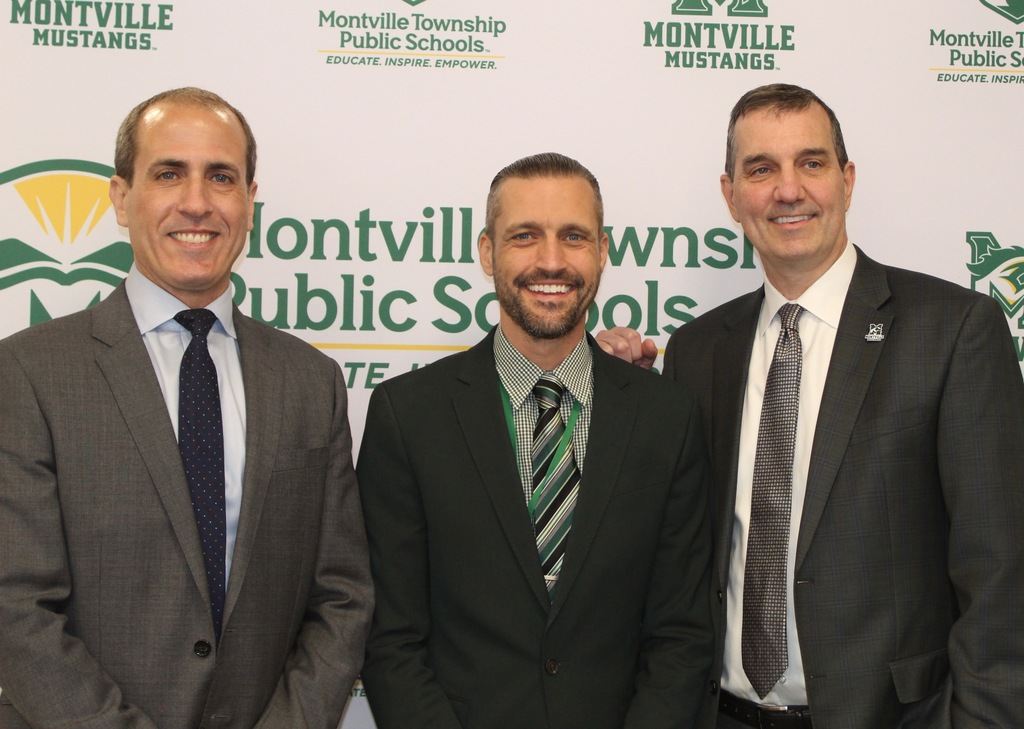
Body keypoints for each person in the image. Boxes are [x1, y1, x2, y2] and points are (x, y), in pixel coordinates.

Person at [598, 83, 1024, 729]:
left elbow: (1000, 570)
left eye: (812, 163)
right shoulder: (699, 349)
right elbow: (669, 549)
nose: (788, 189)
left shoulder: (953, 329)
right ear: (731, 194)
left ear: (847, 180)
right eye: (761, 169)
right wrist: (620, 401)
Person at [0, 88, 373, 729]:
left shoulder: (311, 381)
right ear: (121, 198)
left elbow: (342, 596)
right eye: (169, 173)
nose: (196, 202)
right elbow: (16, 605)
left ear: (249, 201)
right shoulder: (28, 372)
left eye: (220, 177)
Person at [357, 152, 713, 729]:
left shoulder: (667, 417)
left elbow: (682, 634)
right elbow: (390, 637)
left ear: (602, 252)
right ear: (487, 252)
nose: (551, 260)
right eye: (525, 236)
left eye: (573, 236)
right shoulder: (408, 416)